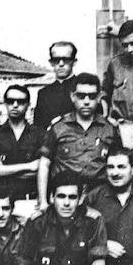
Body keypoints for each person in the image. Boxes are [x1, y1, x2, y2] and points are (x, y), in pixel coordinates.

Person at [37, 73, 120, 210]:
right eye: (81, 96)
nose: (86, 101)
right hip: (66, 197)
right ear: (72, 97)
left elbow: (118, 164)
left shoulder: (109, 129)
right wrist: (43, 201)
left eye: (92, 96)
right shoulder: (58, 128)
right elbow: (44, 164)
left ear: (99, 98)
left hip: (100, 197)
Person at [0, 85, 43, 214]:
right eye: (10, 101)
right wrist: (29, 166)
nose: (15, 105)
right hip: (0, 204)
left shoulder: (39, 134)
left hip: (29, 202)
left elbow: (41, 170)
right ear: (5, 103)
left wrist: (6, 169)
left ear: (28, 105)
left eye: (21, 102)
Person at [33, 41, 77, 130]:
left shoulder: (85, 89)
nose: (61, 64)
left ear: (74, 62)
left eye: (66, 59)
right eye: (56, 60)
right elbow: (38, 128)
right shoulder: (43, 93)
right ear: (51, 62)